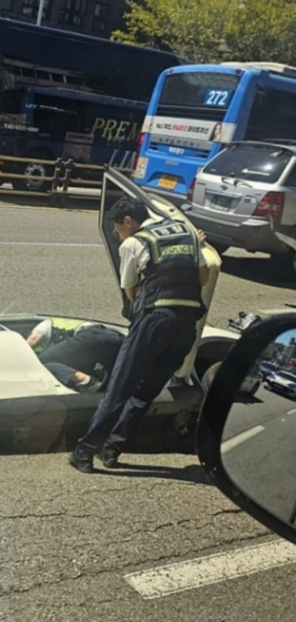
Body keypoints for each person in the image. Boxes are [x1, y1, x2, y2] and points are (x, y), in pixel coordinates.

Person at [68, 196, 211, 473]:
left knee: (120, 388)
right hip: (185, 326)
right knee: (146, 392)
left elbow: (131, 292)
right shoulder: (189, 233)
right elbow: (203, 278)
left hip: (154, 321)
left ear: (128, 222)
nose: (116, 234)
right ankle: (112, 449)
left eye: (116, 228)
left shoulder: (134, 242)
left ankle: (84, 452)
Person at [27, 319, 124, 392]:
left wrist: (19, 353)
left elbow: (34, 338)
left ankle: (86, 381)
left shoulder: (46, 323)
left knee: (43, 360)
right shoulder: (72, 349)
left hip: (90, 335)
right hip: (115, 338)